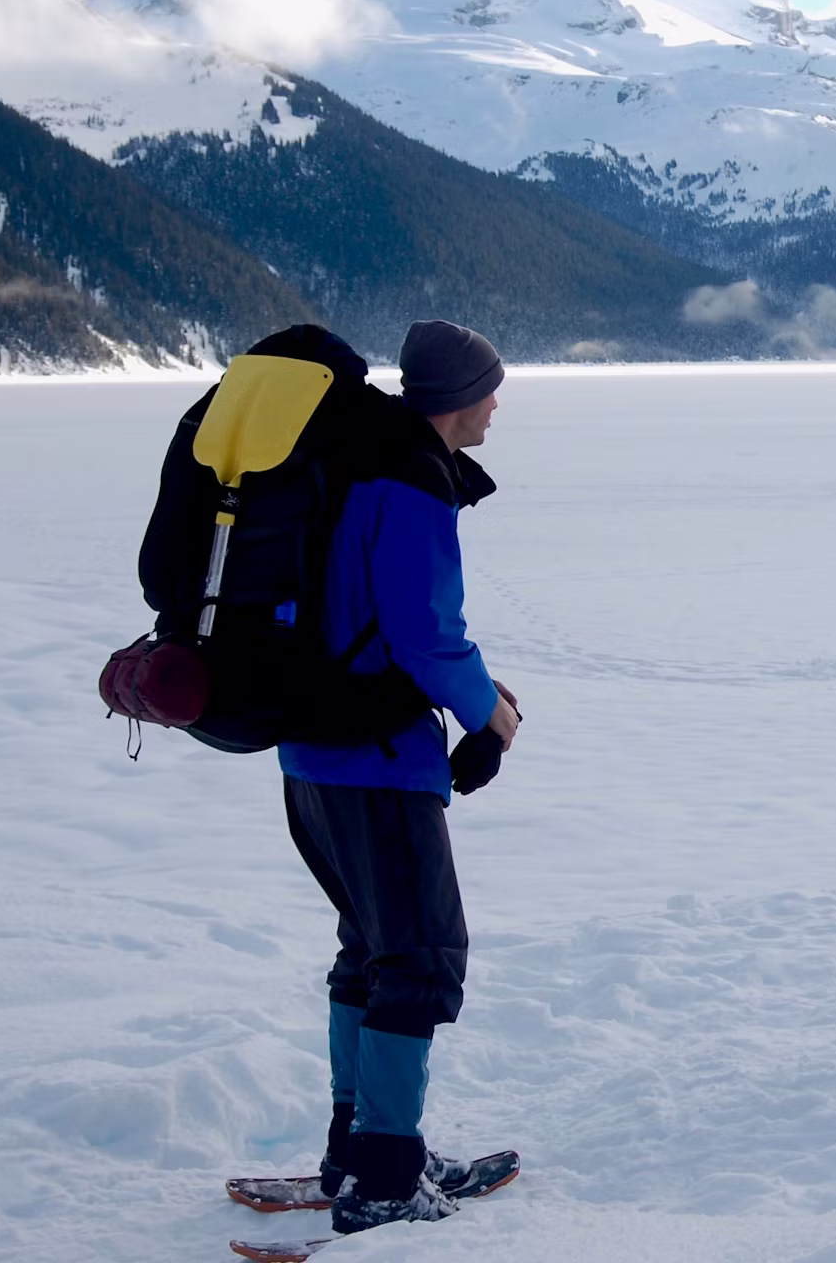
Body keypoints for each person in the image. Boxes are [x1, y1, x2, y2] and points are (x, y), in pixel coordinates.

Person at [276, 319, 521, 1235]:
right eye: (493, 390)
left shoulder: (353, 463)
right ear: (462, 399)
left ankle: (362, 1151)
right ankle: (384, 1176)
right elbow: (422, 631)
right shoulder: (409, 479)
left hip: (312, 751)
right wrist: (486, 712)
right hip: (374, 758)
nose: (499, 405)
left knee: (370, 952)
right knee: (417, 961)